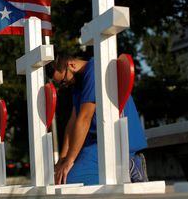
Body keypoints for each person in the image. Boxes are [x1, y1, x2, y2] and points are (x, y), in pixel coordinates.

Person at [49, 53, 148, 185]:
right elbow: (72, 122)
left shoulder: (94, 70)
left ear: (71, 65)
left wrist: (70, 160)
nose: (65, 85)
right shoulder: (78, 84)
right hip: (96, 142)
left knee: (71, 180)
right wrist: (63, 158)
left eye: (63, 81)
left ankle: (129, 166)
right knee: (60, 178)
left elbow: (84, 117)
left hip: (116, 139)